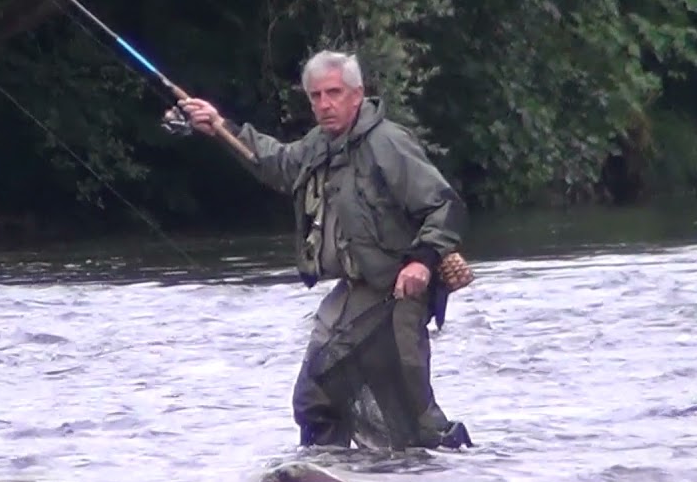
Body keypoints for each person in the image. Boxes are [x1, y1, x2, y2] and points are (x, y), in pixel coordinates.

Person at [173, 50, 473, 451]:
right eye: (316, 96)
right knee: (315, 398)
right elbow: (279, 164)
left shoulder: (388, 143)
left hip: (399, 295)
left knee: (411, 417)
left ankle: (455, 474)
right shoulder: (319, 143)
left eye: (334, 93)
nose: (324, 104)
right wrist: (220, 126)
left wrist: (422, 261)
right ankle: (327, 477)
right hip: (354, 291)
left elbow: (445, 206)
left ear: (357, 94)